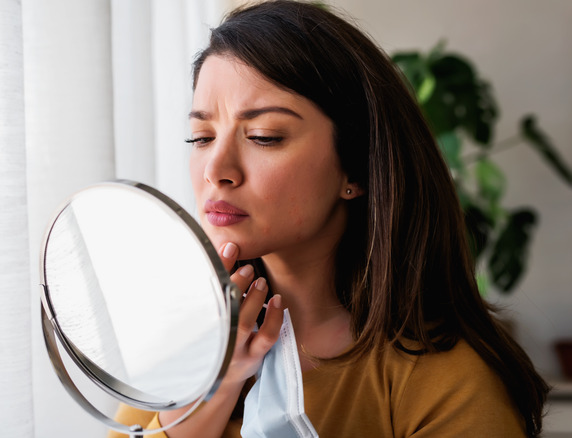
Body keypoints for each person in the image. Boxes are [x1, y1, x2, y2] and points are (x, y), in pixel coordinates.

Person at [110, 1, 549, 436]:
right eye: (201, 136)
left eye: (264, 137)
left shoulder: (447, 382)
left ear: (354, 167)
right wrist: (207, 397)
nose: (214, 169)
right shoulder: (184, 353)